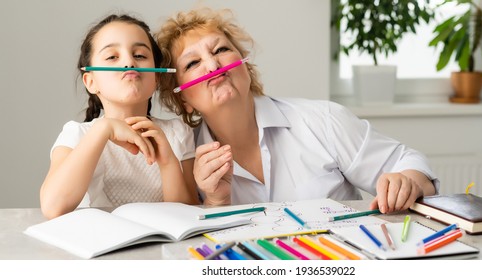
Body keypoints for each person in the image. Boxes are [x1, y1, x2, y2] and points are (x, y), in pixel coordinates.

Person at [156, 8, 438, 213]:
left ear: (245, 65)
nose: (213, 65)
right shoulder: (184, 161)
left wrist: (408, 181)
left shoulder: (323, 120)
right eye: (192, 64)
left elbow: (409, 163)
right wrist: (215, 201)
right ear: (183, 101)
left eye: (220, 50)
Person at [40, 14, 199, 220]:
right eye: (112, 57)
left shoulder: (178, 132)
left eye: (140, 55)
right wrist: (103, 129)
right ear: (90, 82)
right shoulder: (76, 135)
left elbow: (189, 216)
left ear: (156, 77)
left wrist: (168, 163)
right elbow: (53, 207)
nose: (129, 62)